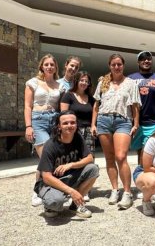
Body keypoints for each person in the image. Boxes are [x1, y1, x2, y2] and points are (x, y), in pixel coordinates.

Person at [91, 54, 141, 210]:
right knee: (109, 157)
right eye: (114, 64)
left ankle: (127, 193)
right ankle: (114, 189)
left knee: (121, 156)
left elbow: (134, 106)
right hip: (103, 121)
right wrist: (93, 124)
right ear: (109, 65)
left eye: (119, 64)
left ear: (123, 65)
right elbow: (96, 105)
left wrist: (136, 123)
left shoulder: (131, 83)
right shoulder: (103, 82)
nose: (117, 67)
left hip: (122, 120)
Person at [36, 110, 99, 218]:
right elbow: (46, 177)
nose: (69, 125)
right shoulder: (50, 145)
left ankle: (75, 205)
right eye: (65, 123)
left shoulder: (77, 138)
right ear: (59, 126)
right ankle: (49, 205)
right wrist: (71, 191)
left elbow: (89, 158)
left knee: (93, 169)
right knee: (55, 203)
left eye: (72, 122)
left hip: (69, 177)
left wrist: (71, 165)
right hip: (50, 183)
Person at [24, 54, 63, 207]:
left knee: (49, 158)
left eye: (52, 65)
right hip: (38, 120)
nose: (49, 67)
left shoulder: (59, 85)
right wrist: (28, 126)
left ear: (55, 67)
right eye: (46, 64)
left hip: (54, 121)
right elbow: (27, 106)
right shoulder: (33, 82)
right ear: (41, 66)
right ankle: (37, 190)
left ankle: (48, 189)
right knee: (46, 156)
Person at [129, 51, 155, 167]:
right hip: (135, 123)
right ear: (138, 62)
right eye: (142, 59)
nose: (146, 61)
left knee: (148, 151)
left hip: (154, 122)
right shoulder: (130, 78)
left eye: (148, 59)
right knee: (139, 151)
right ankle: (141, 177)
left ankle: (147, 176)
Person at [61, 71, 96, 201]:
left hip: (88, 132)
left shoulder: (91, 99)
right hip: (73, 131)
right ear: (76, 81)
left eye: (86, 81)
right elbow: (64, 114)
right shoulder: (68, 96)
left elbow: (94, 114)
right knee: (73, 159)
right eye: (82, 80)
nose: (84, 83)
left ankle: (85, 189)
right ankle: (70, 188)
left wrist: (93, 126)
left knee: (88, 159)